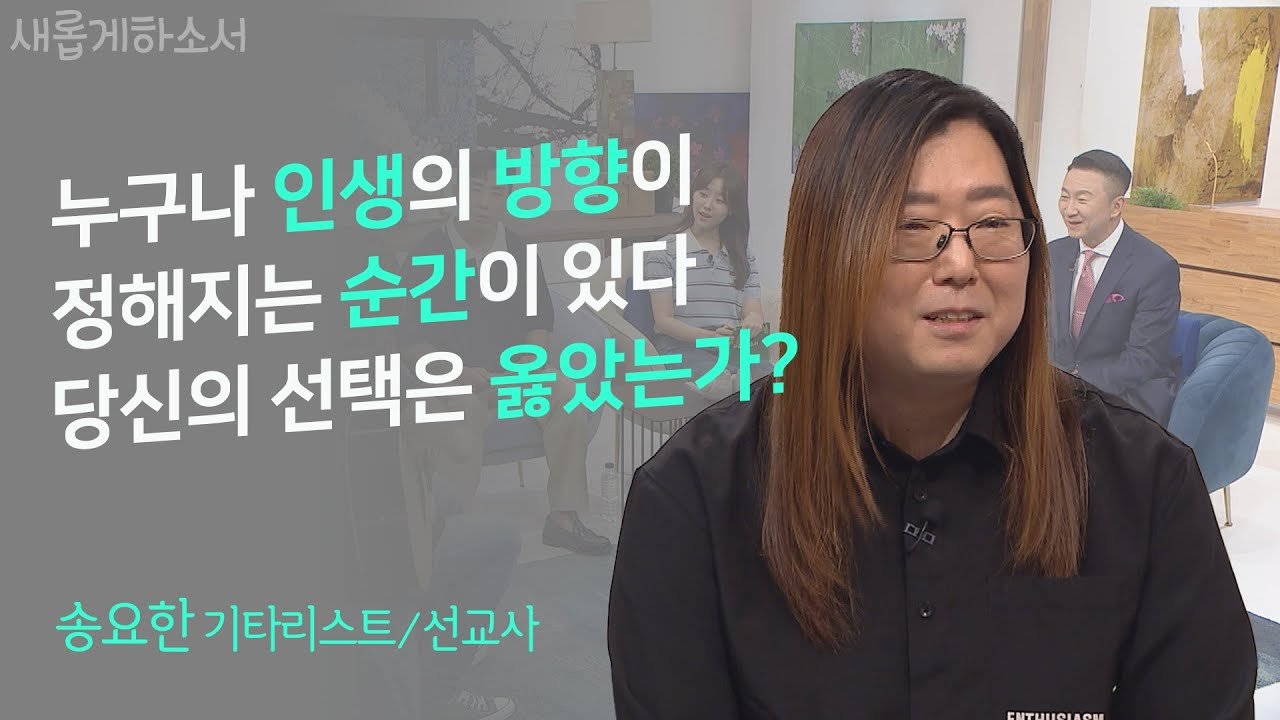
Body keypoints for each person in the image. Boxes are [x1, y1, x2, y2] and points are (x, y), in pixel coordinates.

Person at [608, 70, 1256, 718]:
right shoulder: (694, 497)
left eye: (992, 222)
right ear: (828, 248)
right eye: (911, 226)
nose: (960, 264)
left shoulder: (1143, 480)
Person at [396, 147, 612, 557]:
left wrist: (529, 362)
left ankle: (563, 520)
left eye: (495, 192)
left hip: (515, 374)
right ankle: (453, 534)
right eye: (475, 189)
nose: (483, 202)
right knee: (460, 424)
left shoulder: (519, 250)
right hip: (456, 379)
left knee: (568, 396)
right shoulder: (427, 254)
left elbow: (539, 321)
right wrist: (457, 372)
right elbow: (411, 342)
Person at [1050, 150, 1181, 425]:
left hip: (1121, 396)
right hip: (1056, 392)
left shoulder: (1155, 267)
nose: (1069, 209)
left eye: (1082, 199)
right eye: (1064, 196)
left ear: (1116, 206)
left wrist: (1072, 386)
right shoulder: (1053, 255)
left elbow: (1143, 359)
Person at [644, 163, 773, 386]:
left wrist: (753, 321)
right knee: (728, 382)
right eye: (703, 194)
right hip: (681, 347)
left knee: (774, 381)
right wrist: (712, 338)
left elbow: (753, 311)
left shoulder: (742, 254)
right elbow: (663, 321)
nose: (707, 205)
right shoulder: (664, 251)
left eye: (719, 201)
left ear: (731, 209)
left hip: (731, 347)